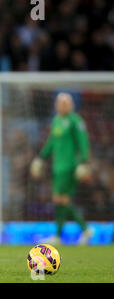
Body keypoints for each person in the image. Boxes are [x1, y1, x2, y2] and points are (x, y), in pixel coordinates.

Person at [30, 92, 93, 245]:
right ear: (56, 105)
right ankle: (61, 235)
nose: (62, 105)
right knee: (61, 200)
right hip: (57, 166)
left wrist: (84, 161)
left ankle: (83, 230)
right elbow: (51, 141)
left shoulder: (75, 121)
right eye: (60, 103)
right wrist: (41, 157)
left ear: (72, 105)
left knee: (60, 199)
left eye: (66, 103)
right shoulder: (56, 121)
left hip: (70, 166)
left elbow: (83, 142)